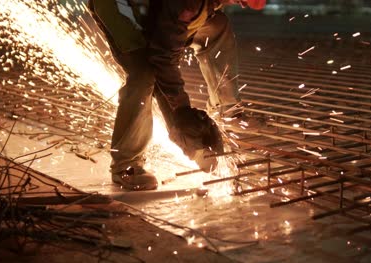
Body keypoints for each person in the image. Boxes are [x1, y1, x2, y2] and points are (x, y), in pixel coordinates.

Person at [88, 0, 267, 191]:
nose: (238, 5)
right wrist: (182, 112)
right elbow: (162, 58)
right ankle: (126, 165)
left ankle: (227, 110)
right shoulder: (187, 4)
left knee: (216, 26)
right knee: (145, 75)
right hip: (118, 7)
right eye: (239, 0)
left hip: (157, 11)